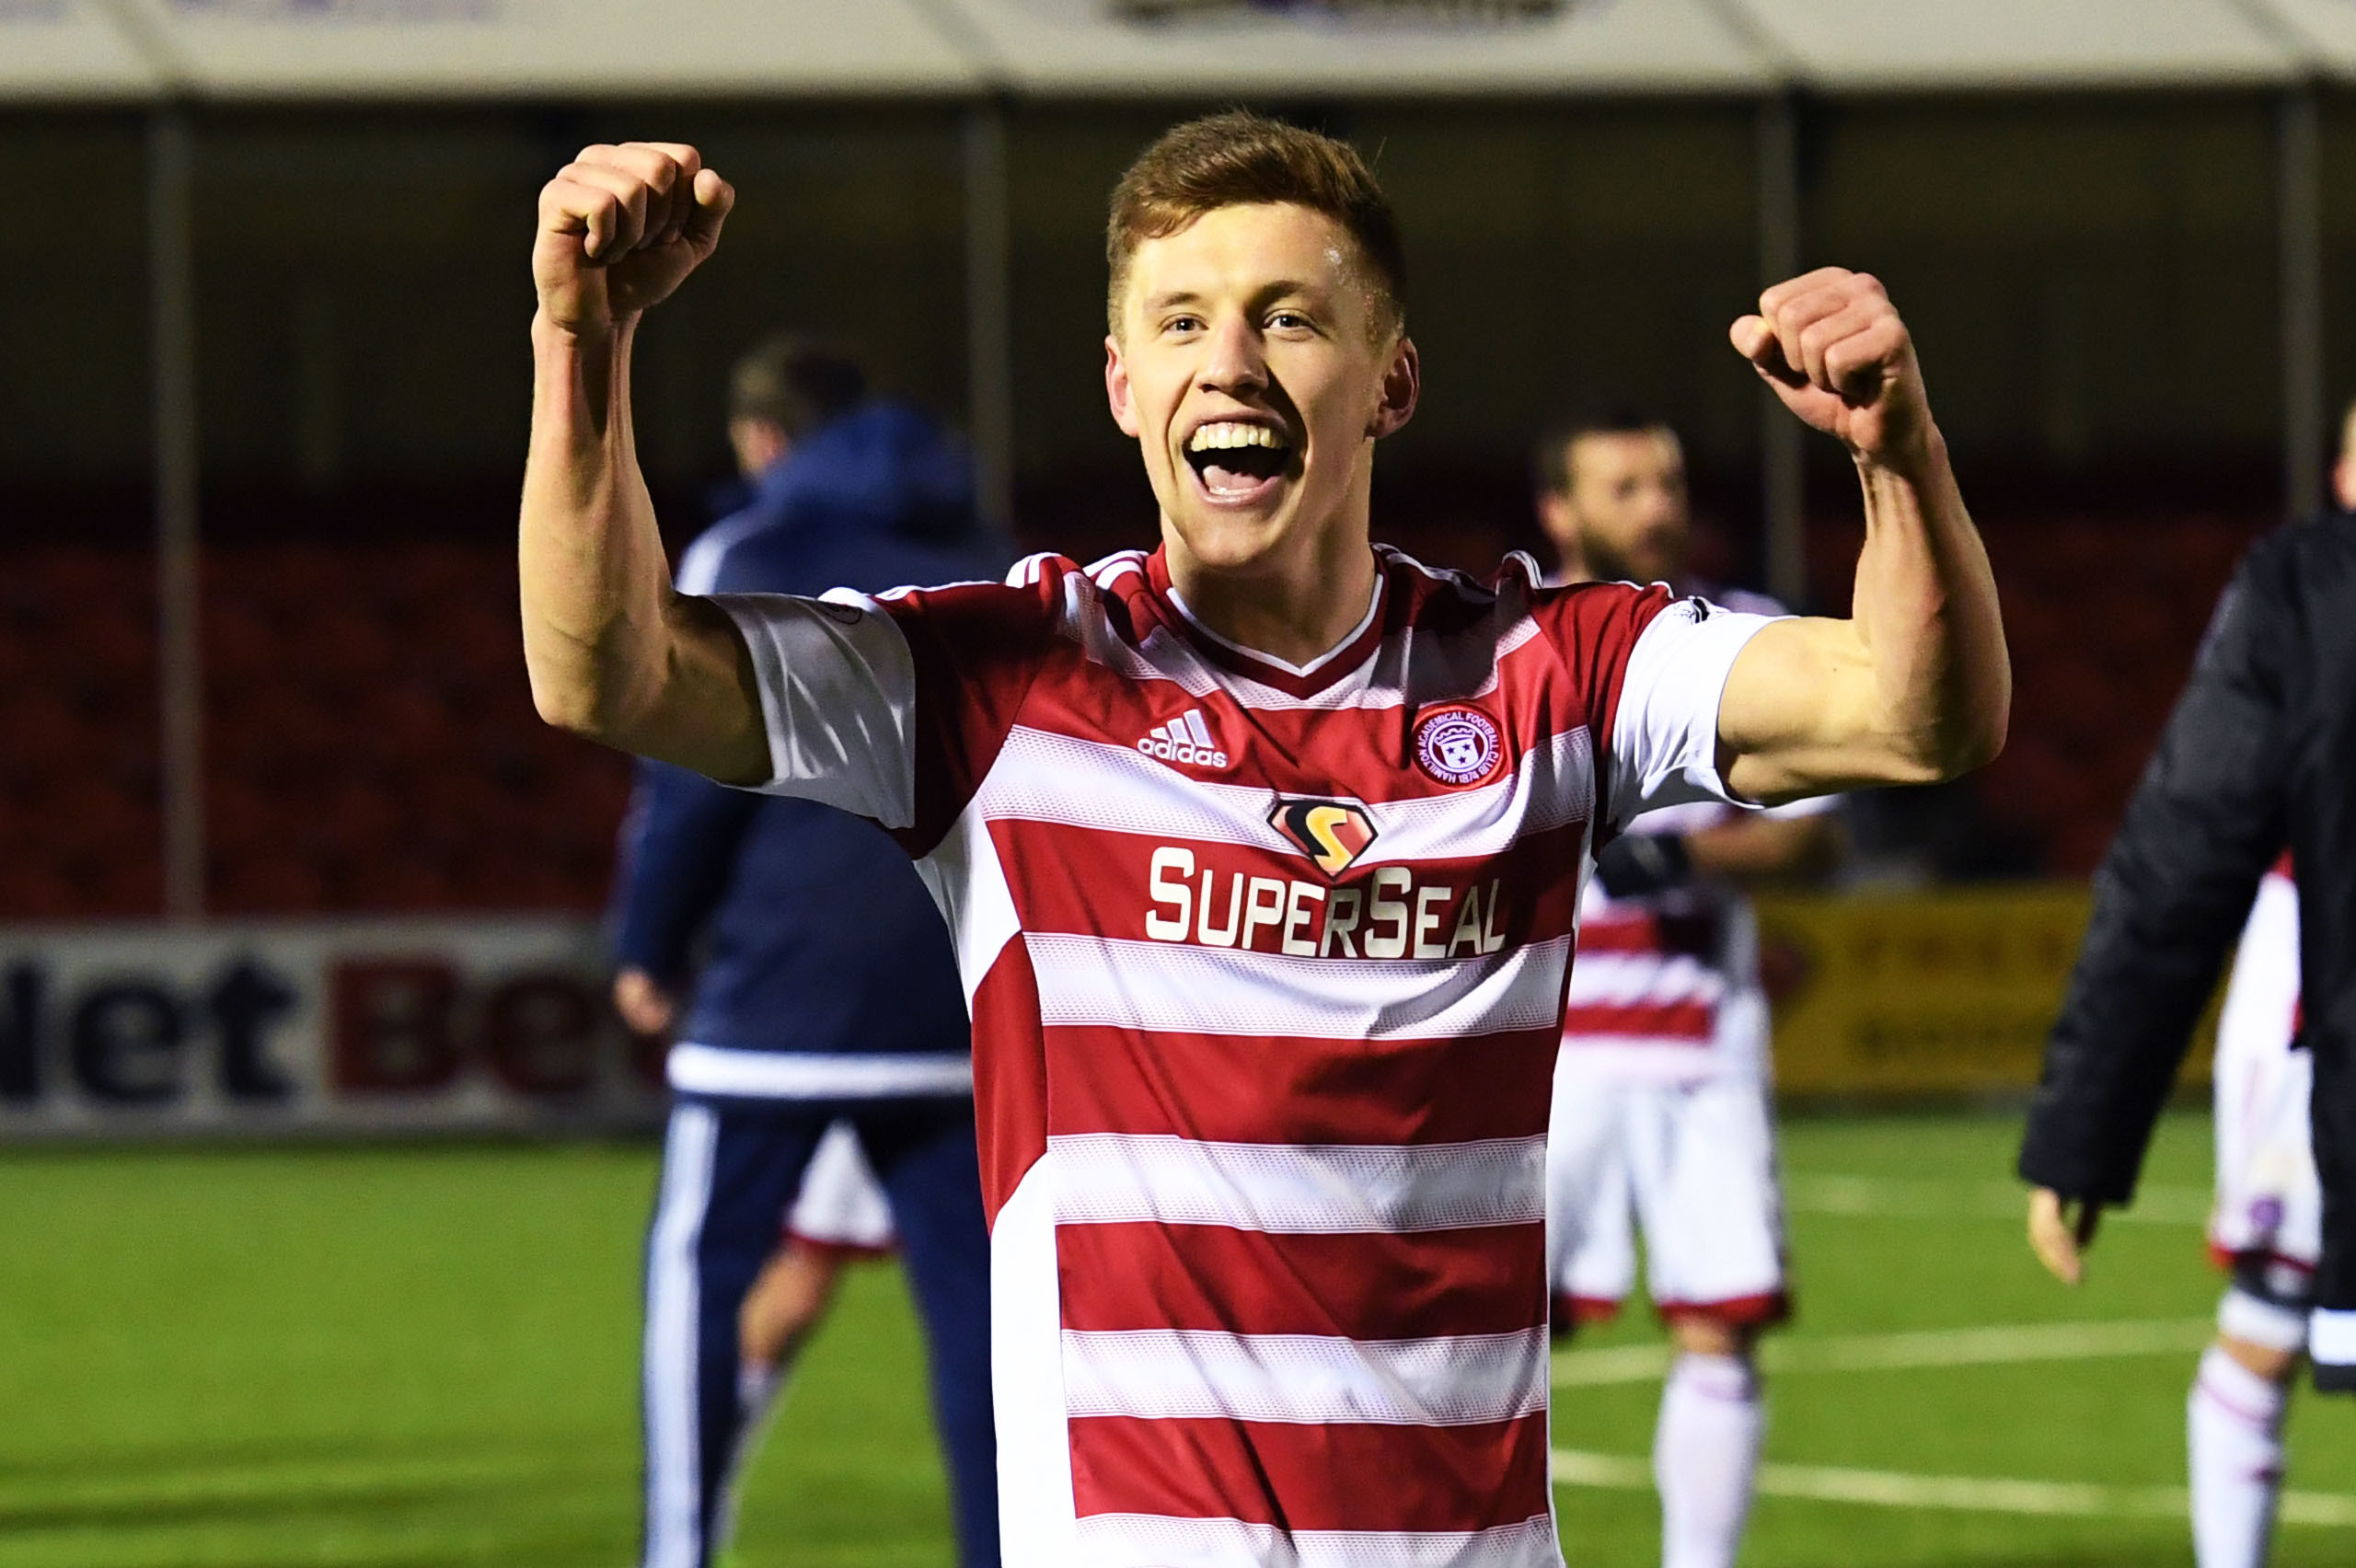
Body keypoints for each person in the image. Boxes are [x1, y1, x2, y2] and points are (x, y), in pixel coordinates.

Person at [522, 112, 2007, 1563]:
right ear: (1121, 381)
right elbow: (607, 669)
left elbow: (1914, 713)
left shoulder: (1553, 671)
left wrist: (1899, 451)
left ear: (1392, 382)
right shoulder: (1005, 681)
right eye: (1179, 322)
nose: (1225, 360)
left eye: (1287, 318)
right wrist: (584, 343)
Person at [606, 335, 1001, 1568]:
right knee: (991, 1327)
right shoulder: (990, 559)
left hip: (777, 991)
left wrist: (649, 944)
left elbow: (692, 775)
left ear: (766, 441)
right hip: (954, 992)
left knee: (705, 1282)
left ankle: (680, 1552)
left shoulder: (752, 552)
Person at [2018, 404, 2356, 1567]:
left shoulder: (2303, 594)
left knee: (2272, 1318)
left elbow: (2173, 867)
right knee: (2268, 1320)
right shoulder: (2309, 597)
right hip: (2311, 991)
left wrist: (2082, 1130)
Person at [1532, 413, 1842, 1568]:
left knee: (1722, 1322)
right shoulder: (1502, 638)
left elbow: (1818, 840)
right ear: (1559, 511)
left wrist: (1686, 854)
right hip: (1541, 1050)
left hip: (1702, 1036)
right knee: (1485, 1331)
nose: (1655, 504)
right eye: (1623, 485)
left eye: (1665, 479)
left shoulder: (1747, 633)